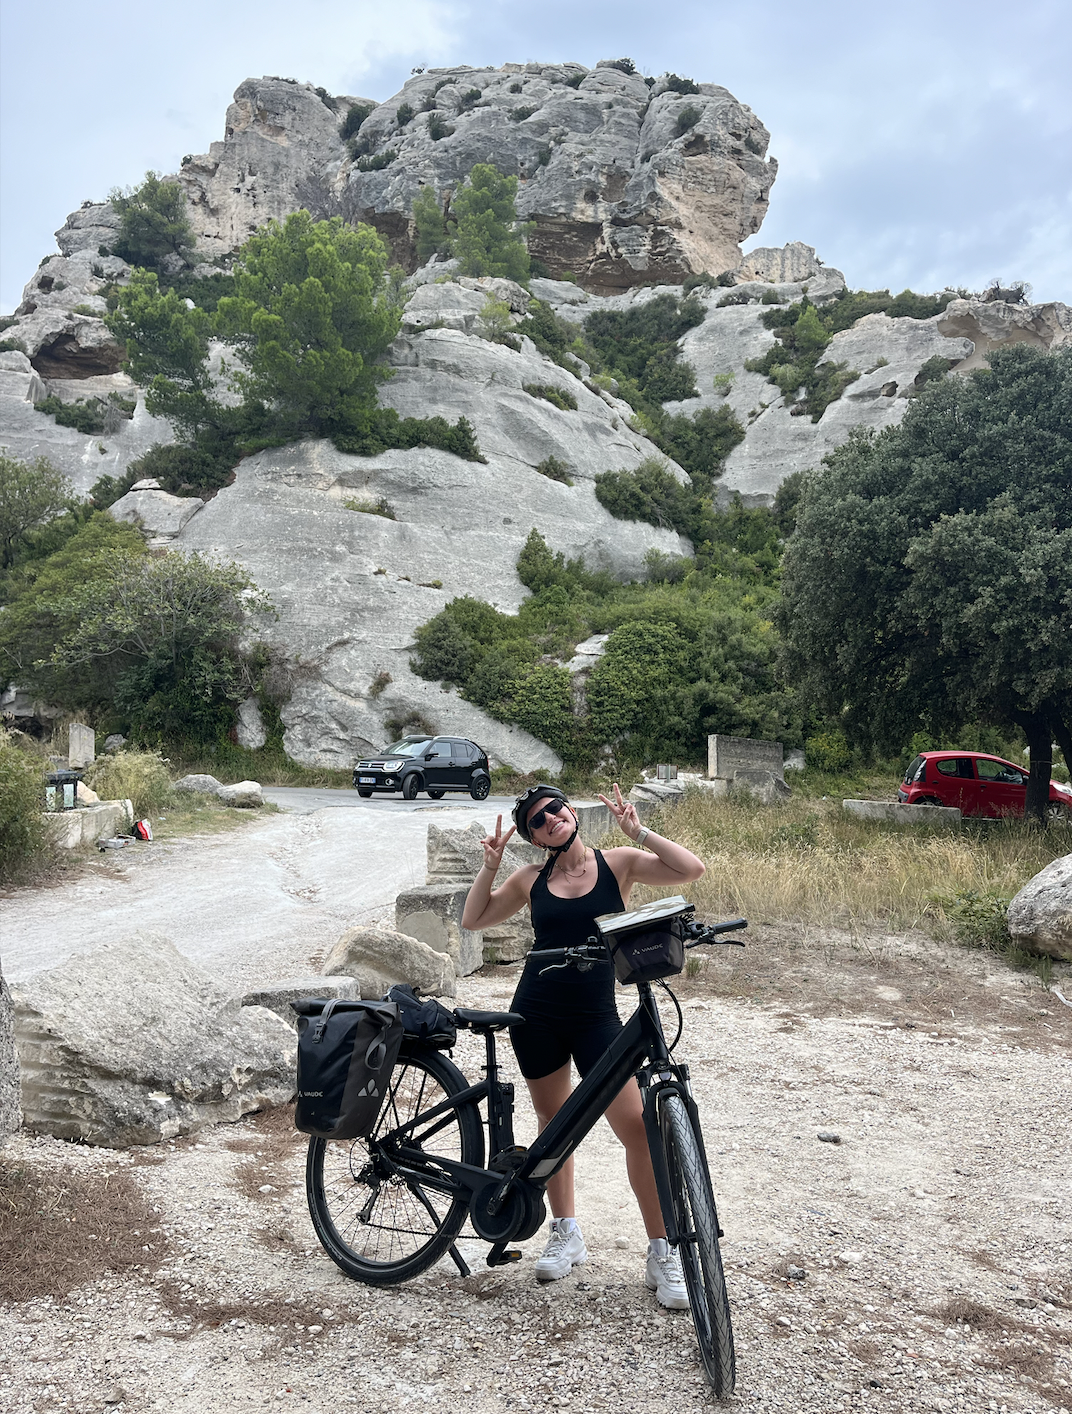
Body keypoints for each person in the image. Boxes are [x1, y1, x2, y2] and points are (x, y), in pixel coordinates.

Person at [461, 783, 706, 1308]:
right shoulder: (530, 878)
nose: (550, 819)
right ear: (532, 836)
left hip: (596, 1014)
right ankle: (565, 1231)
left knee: (639, 1128)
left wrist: (639, 831)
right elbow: (473, 919)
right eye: (537, 820)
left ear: (570, 811)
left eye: (555, 808)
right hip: (538, 1013)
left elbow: (691, 870)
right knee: (555, 1130)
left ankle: (662, 1249)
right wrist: (490, 865)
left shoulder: (617, 862)